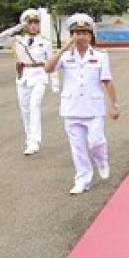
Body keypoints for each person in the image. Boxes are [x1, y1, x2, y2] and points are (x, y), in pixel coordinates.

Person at [45, 14, 120, 195]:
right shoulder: (65, 56)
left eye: (85, 33)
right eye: (77, 33)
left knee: (96, 142)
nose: (81, 36)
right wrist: (64, 48)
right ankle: (82, 179)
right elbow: (48, 68)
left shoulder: (100, 56)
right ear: (72, 35)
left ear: (90, 35)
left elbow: (107, 81)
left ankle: (101, 160)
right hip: (71, 108)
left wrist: (114, 104)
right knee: (78, 148)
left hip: (93, 108)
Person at [0, 9, 58, 155]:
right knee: (25, 110)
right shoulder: (18, 40)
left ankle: (35, 141)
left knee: (34, 106)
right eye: (30, 23)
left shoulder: (45, 43)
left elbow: (52, 63)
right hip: (23, 77)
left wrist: (55, 83)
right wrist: (16, 28)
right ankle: (29, 140)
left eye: (36, 22)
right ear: (25, 25)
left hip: (39, 76)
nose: (33, 25)